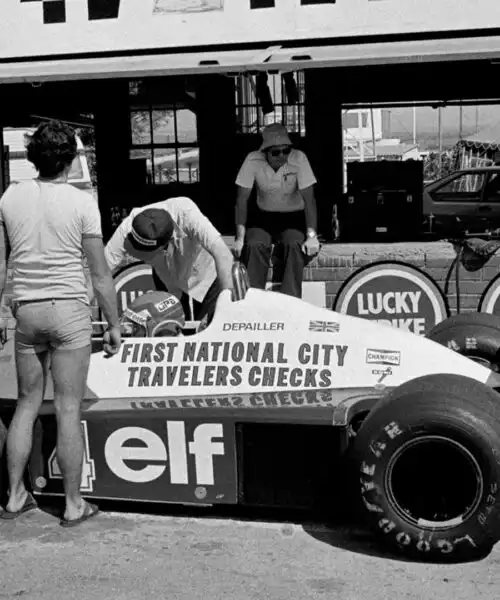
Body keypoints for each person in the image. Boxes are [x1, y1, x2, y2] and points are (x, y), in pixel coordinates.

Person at [0, 120, 121, 527]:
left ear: (33, 158)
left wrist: (3, 310)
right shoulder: (82, 202)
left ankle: (15, 496)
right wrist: (114, 323)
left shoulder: (10, 198)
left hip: (27, 311)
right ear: (70, 159)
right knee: (68, 408)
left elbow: (3, 264)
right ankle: (72, 504)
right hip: (68, 309)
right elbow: (101, 274)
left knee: (26, 403)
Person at [104, 198, 234, 324]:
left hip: (207, 280)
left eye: (147, 255)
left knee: (209, 334)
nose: (144, 260)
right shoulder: (127, 228)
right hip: (168, 281)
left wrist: (225, 308)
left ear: (165, 245)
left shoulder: (187, 214)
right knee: (171, 333)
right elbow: (99, 273)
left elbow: (224, 255)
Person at [232, 123, 321, 298]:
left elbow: (309, 200)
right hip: (263, 216)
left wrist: (312, 236)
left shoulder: (299, 159)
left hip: (293, 217)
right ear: (264, 151)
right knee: (254, 245)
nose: (282, 156)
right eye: (275, 152)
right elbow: (241, 200)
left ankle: (291, 301)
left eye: (285, 150)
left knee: (294, 245)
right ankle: (252, 300)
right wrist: (239, 238)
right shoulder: (252, 160)